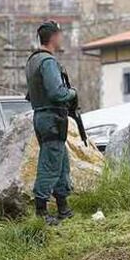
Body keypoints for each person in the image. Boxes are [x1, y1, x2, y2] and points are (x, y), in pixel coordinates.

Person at [25, 20, 77, 225]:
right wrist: (72, 93)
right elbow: (57, 92)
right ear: (54, 37)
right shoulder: (47, 62)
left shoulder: (32, 60)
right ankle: (41, 212)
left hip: (42, 116)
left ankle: (63, 208)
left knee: (60, 162)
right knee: (50, 164)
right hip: (52, 118)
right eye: (60, 35)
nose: (61, 38)